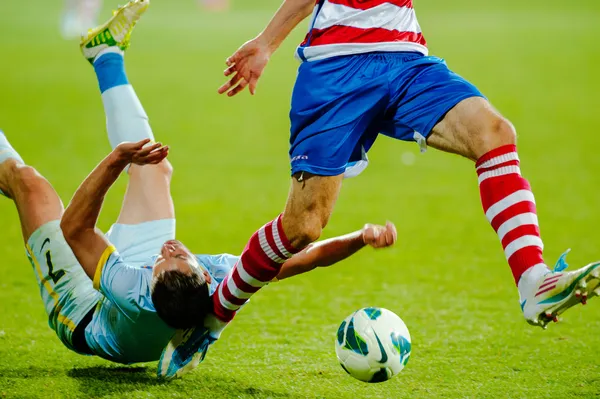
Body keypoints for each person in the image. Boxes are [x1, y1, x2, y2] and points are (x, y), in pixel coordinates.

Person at [1, 0, 397, 372]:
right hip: (152, 288)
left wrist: (115, 160)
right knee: (155, 169)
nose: (168, 248)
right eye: (177, 255)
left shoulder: (130, 287)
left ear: (151, 279)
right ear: (206, 277)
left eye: (163, 258)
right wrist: (360, 238)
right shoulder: (217, 282)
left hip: (84, 310)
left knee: (31, 186)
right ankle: (106, 54)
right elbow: (304, 258)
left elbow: (75, 229)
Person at [207, 0, 600, 341]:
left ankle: (533, 281)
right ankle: (216, 315)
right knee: (302, 227)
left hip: (405, 58)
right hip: (334, 68)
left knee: (495, 133)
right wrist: (266, 43)